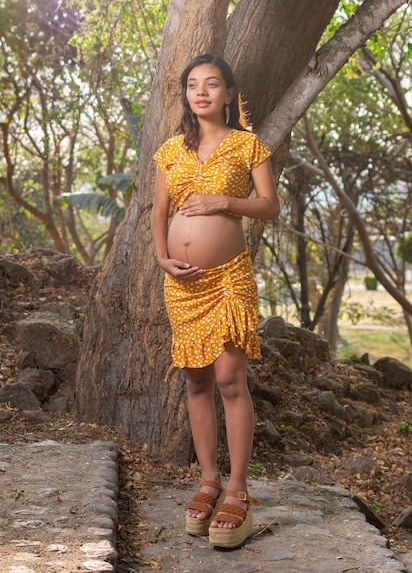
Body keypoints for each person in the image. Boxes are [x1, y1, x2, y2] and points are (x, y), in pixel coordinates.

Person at [151, 54, 280, 549]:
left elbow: (269, 205)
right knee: (196, 379)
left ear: (228, 93)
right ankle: (208, 481)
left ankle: (239, 491)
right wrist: (163, 259)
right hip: (182, 284)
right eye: (192, 85)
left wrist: (222, 201)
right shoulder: (170, 151)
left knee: (229, 378)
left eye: (211, 84)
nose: (200, 92)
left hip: (229, 277)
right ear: (186, 94)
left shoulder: (248, 145)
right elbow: (158, 213)